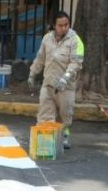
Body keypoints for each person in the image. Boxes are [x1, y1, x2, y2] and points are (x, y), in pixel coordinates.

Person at [28, 11, 85, 149]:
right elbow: (40, 58)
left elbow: (76, 63)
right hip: (48, 84)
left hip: (66, 86)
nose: (64, 28)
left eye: (66, 24)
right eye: (60, 25)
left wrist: (66, 78)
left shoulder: (76, 40)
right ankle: (46, 141)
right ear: (54, 25)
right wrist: (32, 73)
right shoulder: (47, 39)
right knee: (45, 113)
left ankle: (64, 135)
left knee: (65, 113)